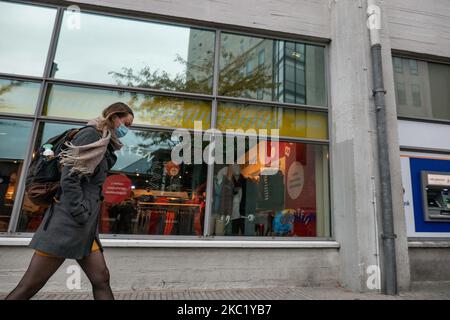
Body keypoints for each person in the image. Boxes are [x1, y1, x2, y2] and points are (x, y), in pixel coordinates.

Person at [5, 102, 134, 300]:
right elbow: (69, 177)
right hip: (67, 223)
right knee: (30, 286)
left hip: (84, 227)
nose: (128, 129)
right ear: (115, 117)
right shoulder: (92, 134)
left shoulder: (105, 140)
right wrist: (79, 211)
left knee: (101, 278)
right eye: (127, 123)